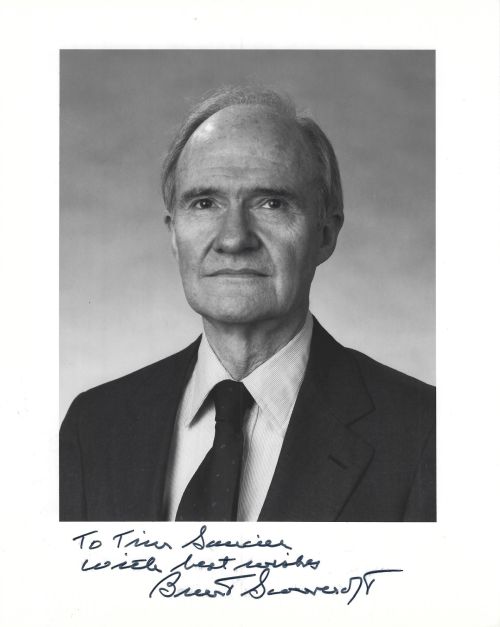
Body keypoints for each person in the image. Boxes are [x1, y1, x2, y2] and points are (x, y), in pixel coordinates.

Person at [60, 86, 435, 522]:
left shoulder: (427, 434)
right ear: (174, 236)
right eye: (205, 203)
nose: (234, 238)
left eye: (272, 203)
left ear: (326, 234)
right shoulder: (94, 426)